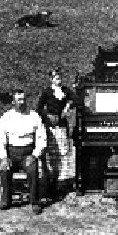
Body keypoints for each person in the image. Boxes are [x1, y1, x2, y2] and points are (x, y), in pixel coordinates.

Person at [0, 89, 47, 214]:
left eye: (23, 99)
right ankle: (6, 200)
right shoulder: (6, 117)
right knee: (4, 169)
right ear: (13, 102)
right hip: (11, 153)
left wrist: (34, 155)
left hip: (28, 153)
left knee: (32, 170)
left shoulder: (34, 116)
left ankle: (35, 202)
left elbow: (42, 138)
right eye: (19, 100)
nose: (22, 102)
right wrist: (3, 156)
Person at [36, 68, 76, 200]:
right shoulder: (47, 92)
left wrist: (67, 106)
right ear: (51, 79)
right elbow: (39, 109)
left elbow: (75, 99)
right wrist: (48, 117)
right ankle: (50, 185)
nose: (58, 80)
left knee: (63, 154)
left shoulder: (65, 91)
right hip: (51, 128)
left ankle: (61, 185)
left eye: (59, 78)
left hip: (62, 126)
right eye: (55, 78)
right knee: (51, 156)